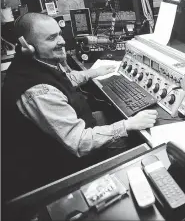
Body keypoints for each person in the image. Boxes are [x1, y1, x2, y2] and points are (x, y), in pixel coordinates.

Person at [1, 13, 158, 199]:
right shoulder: (38, 91)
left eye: (59, 34)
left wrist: (92, 73)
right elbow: (79, 143)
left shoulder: (34, 64)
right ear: (28, 46)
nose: (61, 41)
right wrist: (128, 125)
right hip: (56, 166)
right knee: (139, 141)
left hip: (60, 141)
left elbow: (61, 81)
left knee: (107, 115)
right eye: (51, 38)